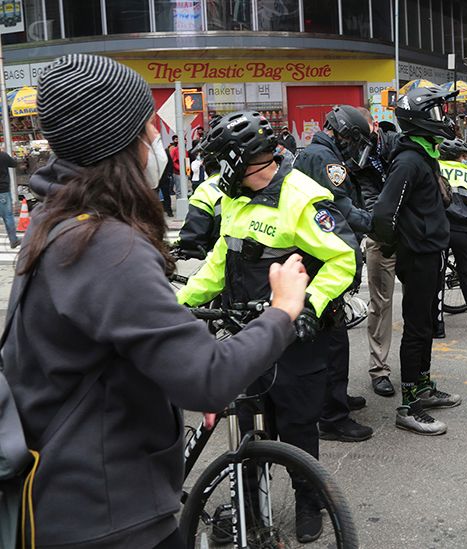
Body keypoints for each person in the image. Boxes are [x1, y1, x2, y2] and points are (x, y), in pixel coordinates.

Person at [3, 54, 306, 549]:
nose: (158, 143)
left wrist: (173, 375)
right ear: (121, 142)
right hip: (108, 520)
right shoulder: (104, 245)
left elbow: (111, 346)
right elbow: (207, 378)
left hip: (67, 500)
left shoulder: (57, 218)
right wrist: (283, 310)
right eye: (151, 129)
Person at [178, 110, 359, 541]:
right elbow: (221, 261)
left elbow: (342, 259)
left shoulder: (301, 196)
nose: (216, 172)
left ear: (241, 161)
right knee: (245, 428)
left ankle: (308, 503)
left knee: (298, 429)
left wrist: (310, 306)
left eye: (222, 161)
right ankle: (250, 510)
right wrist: (180, 305)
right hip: (247, 335)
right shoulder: (234, 199)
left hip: (296, 338)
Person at [372, 85, 462, 435]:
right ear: (420, 119)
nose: (443, 120)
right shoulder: (409, 160)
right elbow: (384, 212)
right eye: (437, 114)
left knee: (426, 324)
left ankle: (423, 387)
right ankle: (408, 405)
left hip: (432, 253)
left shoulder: (424, 154)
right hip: (419, 255)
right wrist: (396, 245)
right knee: (416, 327)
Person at [293, 104, 374, 443]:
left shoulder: (313, 152)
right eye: (355, 140)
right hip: (321, 259)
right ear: (345, 135)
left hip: (312, 256)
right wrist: (373, 223)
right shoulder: (326, 159)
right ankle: (332, 416)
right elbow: (339, 207)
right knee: (333, 340)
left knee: (329, 338)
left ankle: (333, 400)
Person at [352, 106, 400, 397]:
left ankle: (418, 373)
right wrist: (379, 229)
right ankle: (379, 370)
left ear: (374, 125)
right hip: (381, 234)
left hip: (411, 231)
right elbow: (366, 197)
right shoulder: (356, 156)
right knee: (380, 304)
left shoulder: (396, 143)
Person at [438, 137, 467, 330]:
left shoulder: (435, 169)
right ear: (459, 157)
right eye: (464, 156)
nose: (466, 159)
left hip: (440, 228)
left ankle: (437, 322)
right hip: (464, 229)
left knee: (437, 275)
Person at [173, 154, 222, 257]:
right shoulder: (253, 180)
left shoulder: (207, 189)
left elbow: (193, 236)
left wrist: (179, 247)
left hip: (222, 261)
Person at [0, 149, 20, 248]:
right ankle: (13, 240)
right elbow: (14, 164)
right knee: (7, 216)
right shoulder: (3, 155)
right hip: (3, 190)